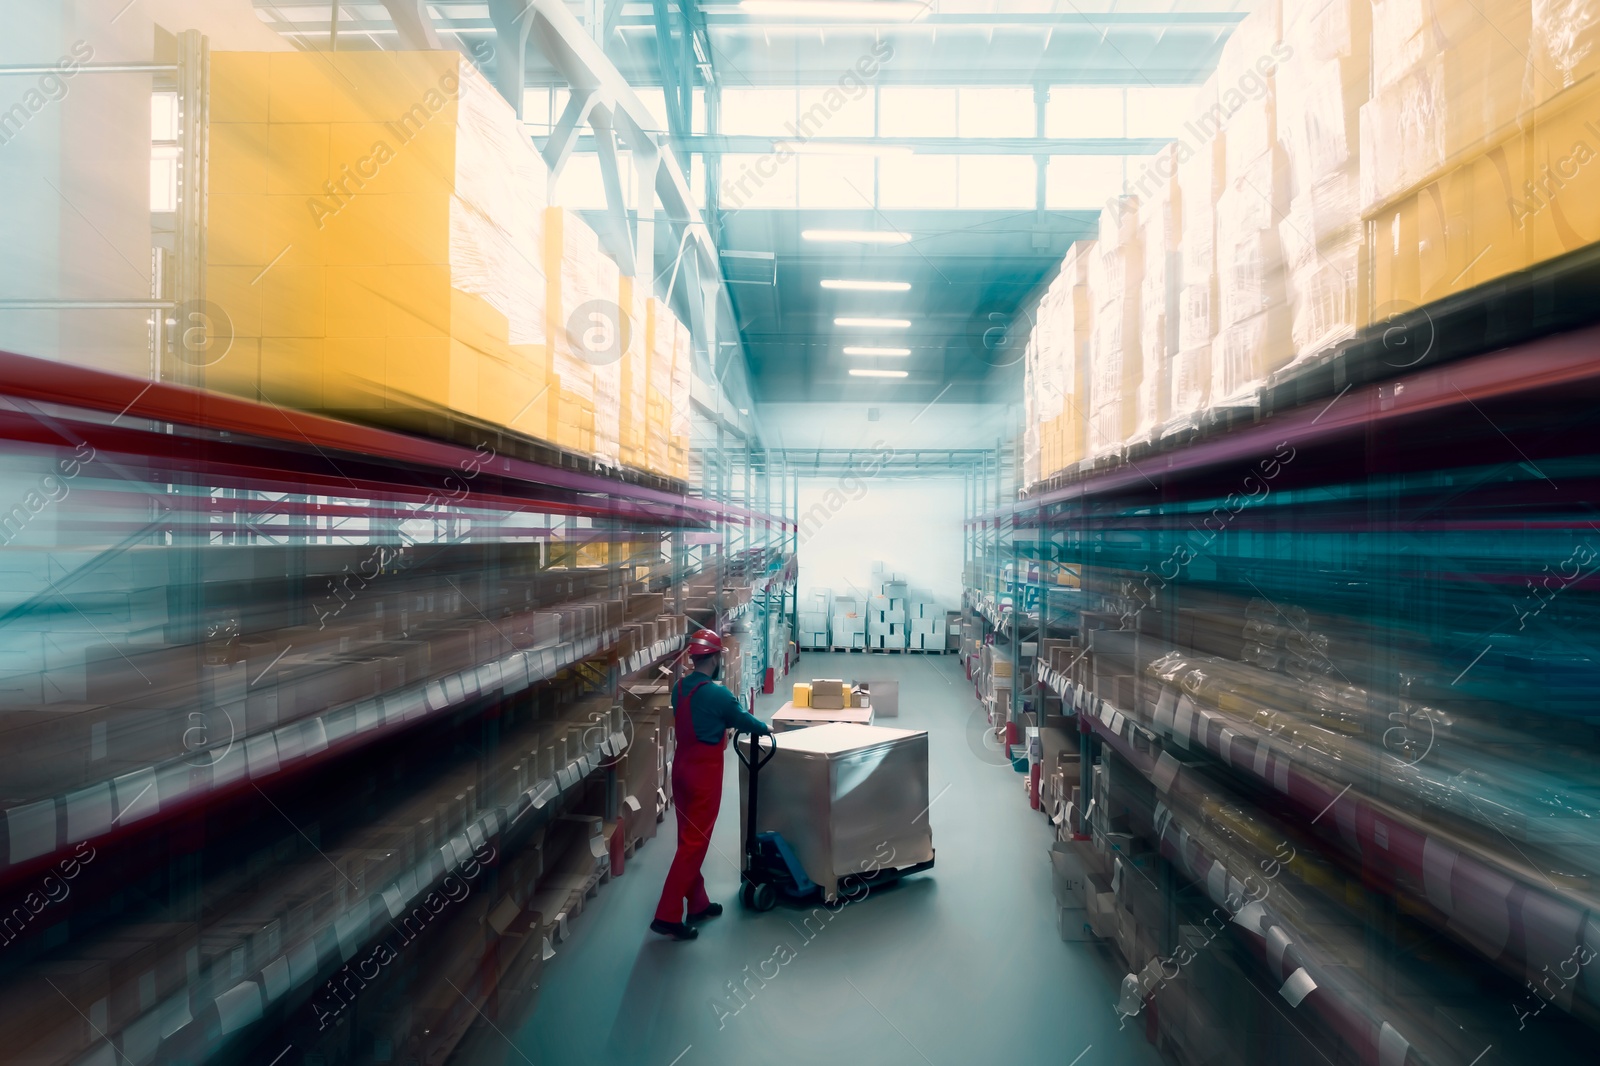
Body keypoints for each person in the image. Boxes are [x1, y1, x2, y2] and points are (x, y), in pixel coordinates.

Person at [651, 628, 772, 941]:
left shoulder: (680, 689)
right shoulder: (717, 694)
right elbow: (744, 720)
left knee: (686, 840)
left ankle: (698, 903)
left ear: (694, 657)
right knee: (694, 844)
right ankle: (666, 914)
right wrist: (764, 727)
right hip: (704, 772)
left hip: (681, 769)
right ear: (716, 658)